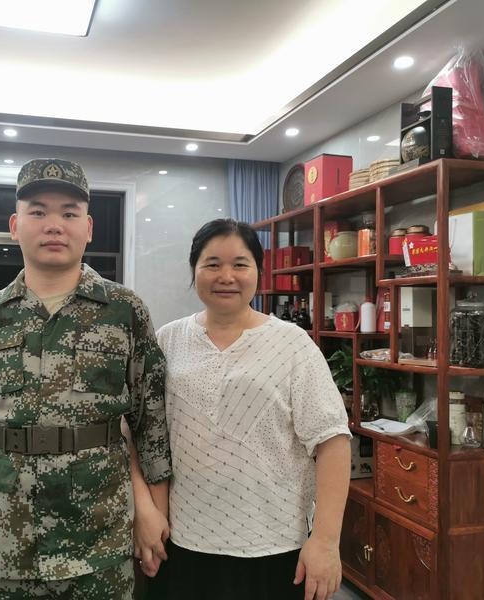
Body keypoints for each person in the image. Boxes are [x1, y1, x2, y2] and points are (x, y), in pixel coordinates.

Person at [0, 158, 172, 600]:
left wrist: (154, 513)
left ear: (89, 228)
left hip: (101, 539)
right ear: (15, 226)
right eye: (38, 211)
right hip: (5, 542)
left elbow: (150, 424)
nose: (54, 225)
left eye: (69, 213)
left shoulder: (125, 311)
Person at [140, 218, 351, 600]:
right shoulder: (168, 340)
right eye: (212, 264)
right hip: (184, 541)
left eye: (240, 264)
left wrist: (325, 540)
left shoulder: (292, 345)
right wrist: (147, 512)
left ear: (258, 272)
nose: (226, 276)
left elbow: (332, 442)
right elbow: (140, 433)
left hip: (274, 545)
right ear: (194, 270)